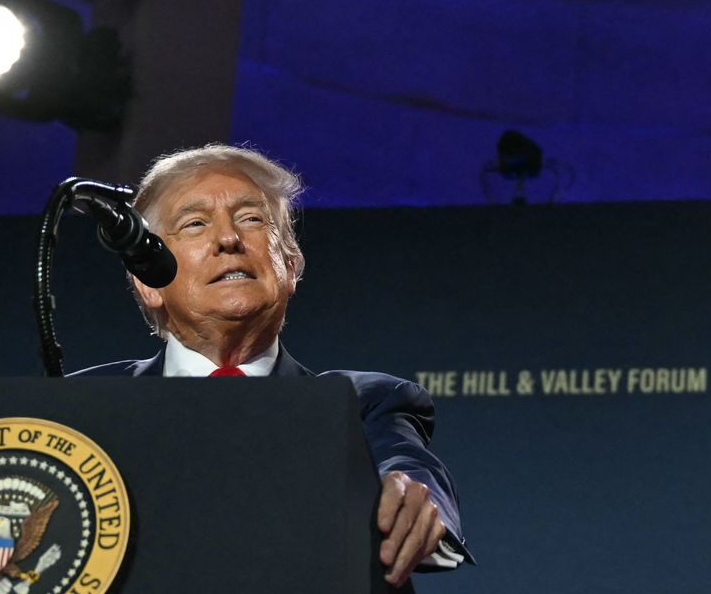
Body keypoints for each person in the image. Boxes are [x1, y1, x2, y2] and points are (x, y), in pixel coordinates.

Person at [69, 144, 469, 586]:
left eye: (251, 219)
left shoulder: (364, 402)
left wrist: (409, 491)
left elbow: (404, 460)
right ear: (148, 282)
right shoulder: (84, 407)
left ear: (291, 263)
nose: (228, 239)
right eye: (195, 223)